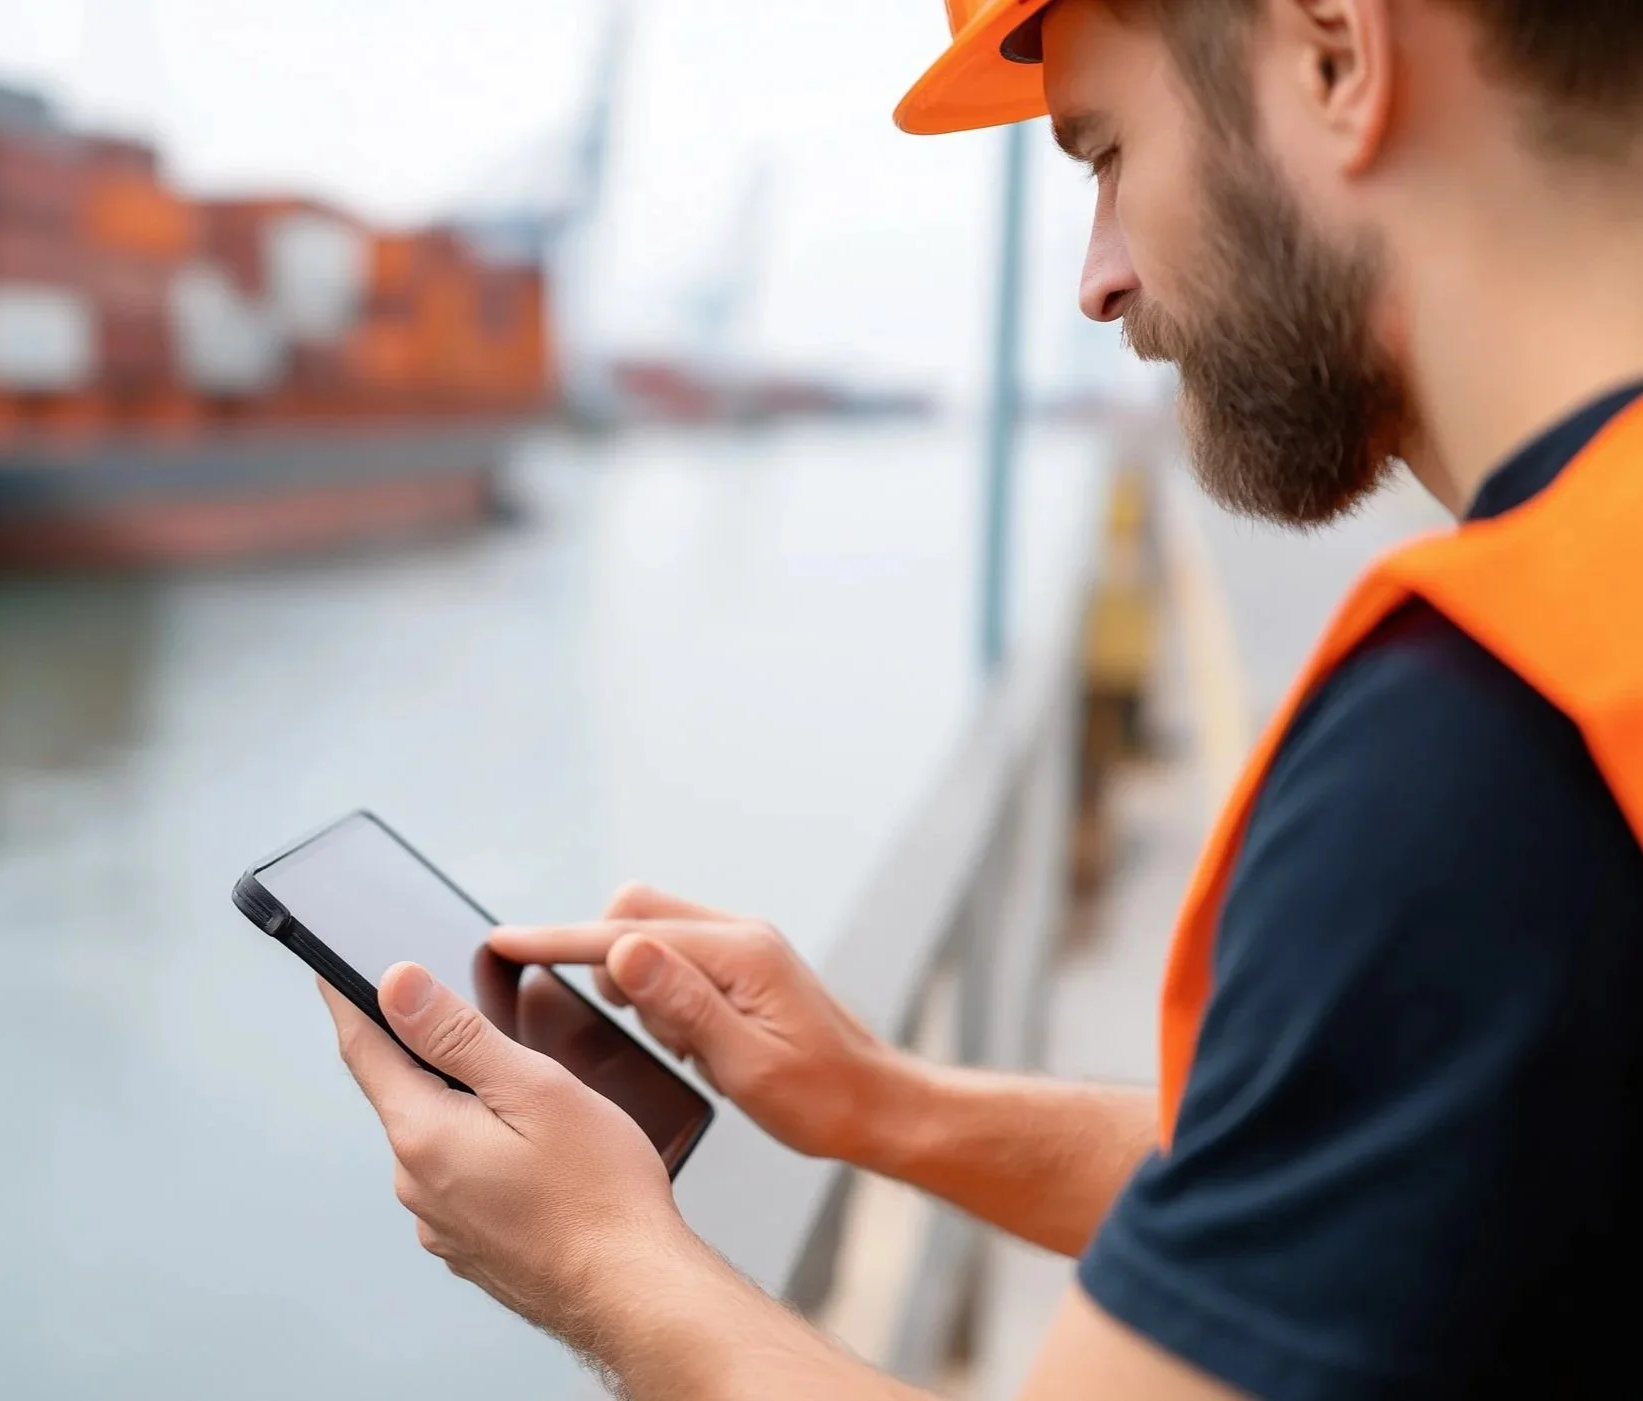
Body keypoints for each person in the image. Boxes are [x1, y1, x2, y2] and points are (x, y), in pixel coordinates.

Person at [319, 1, 1643, 1396]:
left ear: (1335, 52)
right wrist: (883, 1106)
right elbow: (1381, 1168)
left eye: (1109, 154)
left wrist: (599, 1264)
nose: (1099, 281)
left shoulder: (1484, 742)